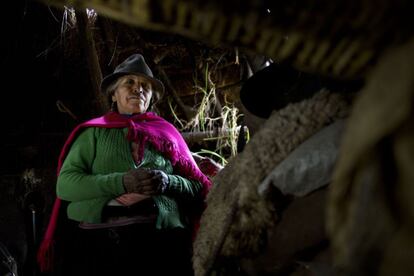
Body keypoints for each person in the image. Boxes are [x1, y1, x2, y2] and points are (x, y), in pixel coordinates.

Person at [37, 53, 211, 276]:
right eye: (129, 82)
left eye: (145, 86)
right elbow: (66, 185)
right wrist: (121, 181)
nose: (138, 89)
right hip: (102, 240)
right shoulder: (94, 133)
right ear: (113, 95)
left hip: (161, 239)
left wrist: (168, 182)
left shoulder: (167, 135)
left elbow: (198, 186)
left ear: (150, 98)